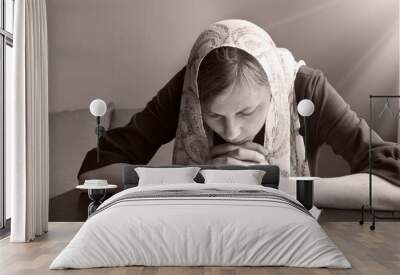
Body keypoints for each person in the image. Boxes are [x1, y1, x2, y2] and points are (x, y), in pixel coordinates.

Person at [78, 20, 400, 208]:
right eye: (214, 116)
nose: (232, 131)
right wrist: (197, 179)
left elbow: (394, 185)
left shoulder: (304, 88)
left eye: (247, 111)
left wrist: (277, 186)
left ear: (273, 89)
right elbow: (94, 171)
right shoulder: (187, 89)